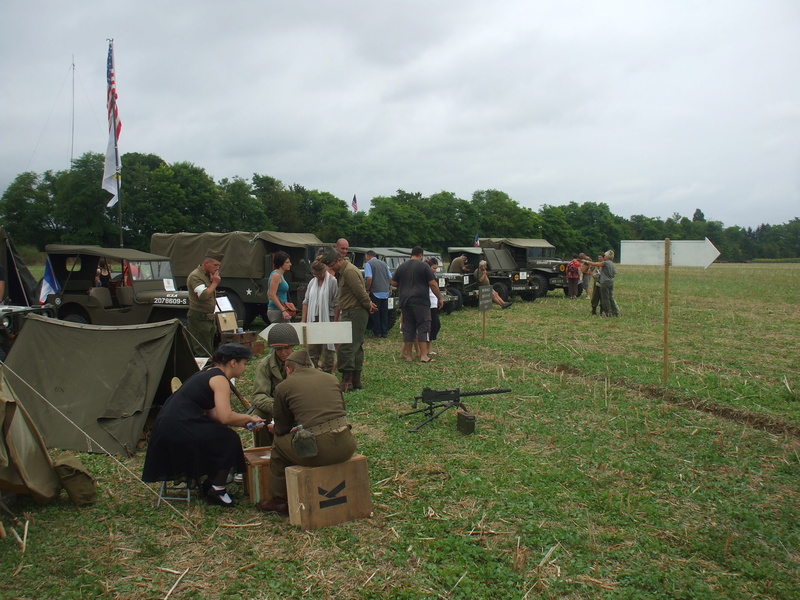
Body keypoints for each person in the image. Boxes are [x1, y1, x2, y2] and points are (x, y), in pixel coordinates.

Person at [142, 343, 265, 507]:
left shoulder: (210, 374)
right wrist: (247, 419)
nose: (245, 368)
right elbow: (225, 417)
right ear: (233, 363)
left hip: (169, 424)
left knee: (221, 433)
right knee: (229, 438)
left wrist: (246, 422)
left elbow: (213, 413)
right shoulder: (221, 380)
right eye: (244, 363)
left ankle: (211, 480)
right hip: (180, 425)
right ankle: (217, 487)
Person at [257, 349, 356, 516]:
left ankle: (279, 500)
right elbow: (339, 412)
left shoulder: (284, 386)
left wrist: (276, 429)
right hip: (346, 445)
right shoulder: (331, 378)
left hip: (319, 452)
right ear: (310, 365)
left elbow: (282, 428)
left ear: (289, 369)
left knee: (279, 443)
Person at [320, 247, 375, 392]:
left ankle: (347, 380)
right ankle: (355, 381)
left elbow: (360, 292)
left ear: (339, 260)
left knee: (347, 346)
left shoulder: (349, 271)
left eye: (332, 265)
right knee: (355, 346)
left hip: (355, 312)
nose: (331, 269)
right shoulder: (343, 271)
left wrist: (368, 305)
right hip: (352, 311)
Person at [390, 246, 443, 364]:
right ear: (420, 255)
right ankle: (424, 355)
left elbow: (393, 282)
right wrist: (440, 298)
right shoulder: (424, 266)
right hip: (420, 301)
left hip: (405, 301)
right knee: (424, 326)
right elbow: (433, 284)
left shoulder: (402, 266)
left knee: (408, 328)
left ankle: (409, 356)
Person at [249, 323, 299, 446]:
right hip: (274, 408)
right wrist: (279, 408)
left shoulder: (303, 363)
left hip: (299, 408)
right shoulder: (264, 366)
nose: (283, 353)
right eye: (278, 349)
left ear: (293, 346)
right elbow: (259, 396)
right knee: (258, 416)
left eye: (286, 348)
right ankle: (265, 453)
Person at [301, 259, 339, 373]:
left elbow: (337, 303)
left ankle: (327, 370)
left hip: (328, 317)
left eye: (319, 274)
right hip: (314, 318)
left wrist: (335, 322)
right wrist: (303, 320)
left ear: (325, 270)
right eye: (315, 274)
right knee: (312, 348)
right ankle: (313, 370)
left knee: (328, 348)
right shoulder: (312, 282)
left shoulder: (332, 281)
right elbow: (306, 301)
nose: (317, 276)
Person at [186, 249, 224, 356]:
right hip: (199, 317)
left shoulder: (207, 276)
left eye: (219, 266)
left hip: (208, 318)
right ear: (206, 263)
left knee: (209, 348)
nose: (217, 268)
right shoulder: (196, 276)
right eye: (215, 265)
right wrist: (215, 283)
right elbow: (203, 295)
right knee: (202, 351)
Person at [364, 250, 392, 338]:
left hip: (375, 291)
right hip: (385, 292)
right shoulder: (384, 264)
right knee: (384, 313)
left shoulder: (369, 264)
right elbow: (390, 277)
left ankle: (377, 332)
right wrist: (388, 287)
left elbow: (369, 278)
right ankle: (385, 332)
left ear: (368, 256)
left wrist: (368, 289)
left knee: (375, 313)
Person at [585, 250, 619, 317]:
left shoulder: (606, 263)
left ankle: (607, 313)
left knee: (605, 299)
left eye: (605, 256)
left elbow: (595, 264)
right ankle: (615, 312)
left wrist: (588, 262)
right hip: (610, 282)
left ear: (607, 257)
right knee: (610, 298)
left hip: (604, 282)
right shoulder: (613, 264)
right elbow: (614, 274)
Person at [267, 251, 296, 324]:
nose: (290, 264)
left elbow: (268, 292)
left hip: (280, 309)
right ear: (280, 263)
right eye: (287, 262)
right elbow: (271, 294)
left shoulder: (280, 275)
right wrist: (283, 310)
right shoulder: (276, 276)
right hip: (277, 311)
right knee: (285, 333)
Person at [425, 257, 442, 357]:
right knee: (431, 326)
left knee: (435, 326)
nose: (435, 270)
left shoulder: (432, 276)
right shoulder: (427, 276)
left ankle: (429, 348)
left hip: (433, 303)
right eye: (434, 268)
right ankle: (426, 349)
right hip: (429, 304)